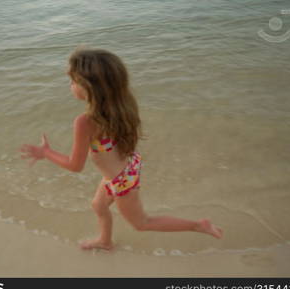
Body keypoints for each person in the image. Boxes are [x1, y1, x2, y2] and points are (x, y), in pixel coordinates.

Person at [20, 48, 223, 251]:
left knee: (142, 223)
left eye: (73, 81)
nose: (70, 85)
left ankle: (198, 225)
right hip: (125, 167)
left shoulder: (85, 122)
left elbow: (75, 166)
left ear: (90, 87)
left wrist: (45, 152)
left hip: (121, 180)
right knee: (98, 206)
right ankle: (105, 241)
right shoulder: (122, 105)